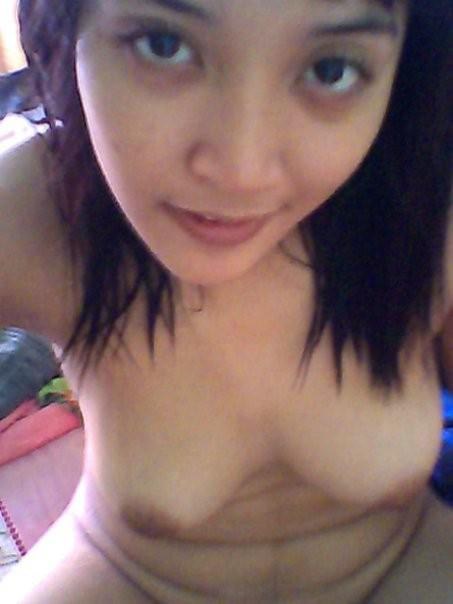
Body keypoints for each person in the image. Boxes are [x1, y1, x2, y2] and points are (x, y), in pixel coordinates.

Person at [0, 0, 452, 601]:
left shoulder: (428, 206)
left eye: (331, 69)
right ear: (65, 27)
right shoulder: (47, 209)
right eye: (163, 45)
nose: (242, 170)